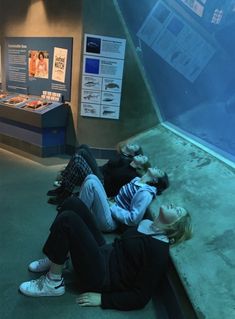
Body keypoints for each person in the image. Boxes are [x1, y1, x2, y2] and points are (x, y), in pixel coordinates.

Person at [19, 199, 192, 311]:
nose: (173, 205)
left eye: (177, 210)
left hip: (102, 276)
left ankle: (53, 283)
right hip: (105, 253)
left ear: (175, 227)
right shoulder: (147, 223)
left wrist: (104, 299)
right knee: (73, 203)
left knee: (68, 220)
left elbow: (140, 297)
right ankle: (56, 259)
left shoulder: (159, 250)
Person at [75, 166, 169, 232]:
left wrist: (113, 207)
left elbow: (134, 219)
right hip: (109, 207)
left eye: (159, 171)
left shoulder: (146, 194)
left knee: (91, 184)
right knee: (91, 177)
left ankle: (77, 221)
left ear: (155, 180)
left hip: (111, 221)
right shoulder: (137, 180)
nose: (156, 167)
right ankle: (79, 213)